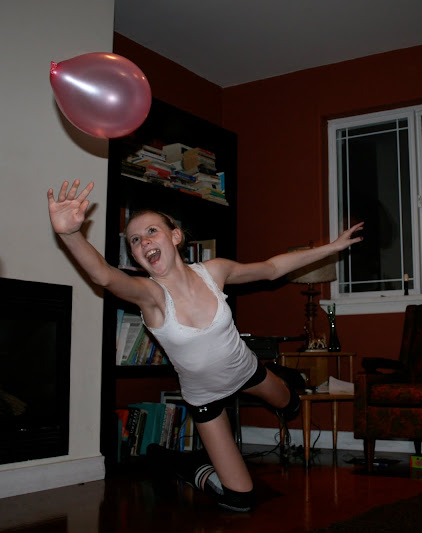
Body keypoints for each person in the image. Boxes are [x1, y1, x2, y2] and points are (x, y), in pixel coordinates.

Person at [47, 179, 364, 512]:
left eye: (152, 231)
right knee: (239, 500)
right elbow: (105, 276)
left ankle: (280, 381)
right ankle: (180, 463)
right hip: (205, 397)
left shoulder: (214, 271)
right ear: (136, 255)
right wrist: (70, 234)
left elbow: (271, 269)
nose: (144, 241)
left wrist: (331, 248)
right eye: (135, 240)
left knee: (292, 405)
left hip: (247, 370)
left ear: (175, 236)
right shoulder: (151, 297)